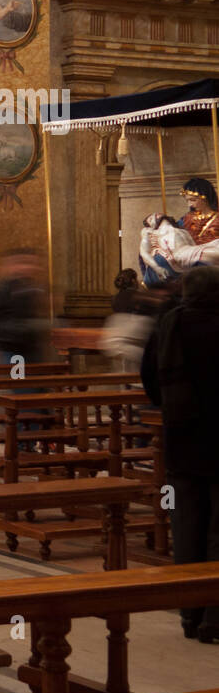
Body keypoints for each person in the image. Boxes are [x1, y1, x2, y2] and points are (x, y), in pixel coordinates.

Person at [141, 265, 219, 643]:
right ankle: (215, 618)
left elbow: (150, 377)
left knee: (186, 526)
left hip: (182, 438)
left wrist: (171, 408)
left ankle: (190, 612)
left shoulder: (170, 323)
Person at [0, 247, 47, 365]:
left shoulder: (30, 288)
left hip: (30, 354)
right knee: (16, 382)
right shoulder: (1, 289)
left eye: (34, 263)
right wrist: (26, 328)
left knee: (30, 382)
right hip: (11, 354)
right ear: (12, 266)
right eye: (26, 263)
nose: (31, 267)